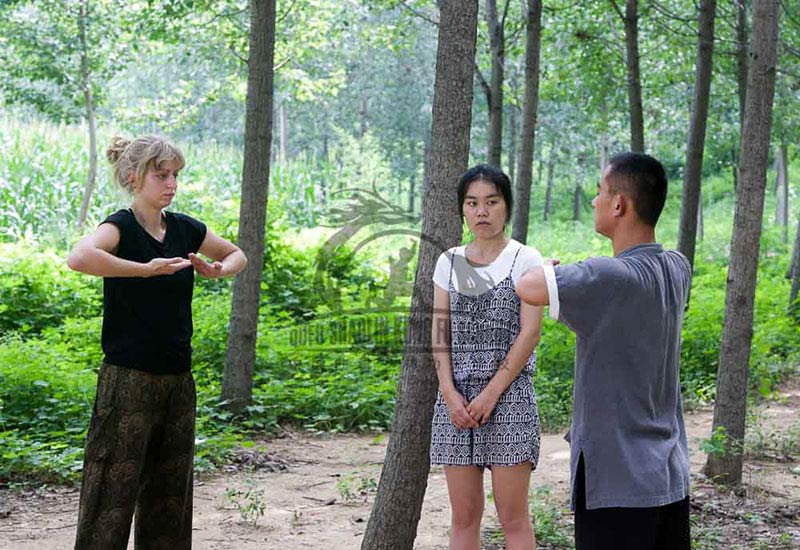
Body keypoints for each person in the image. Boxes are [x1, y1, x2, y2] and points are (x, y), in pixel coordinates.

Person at [67, 135, 247, 549]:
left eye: (175, 175)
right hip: (128, 382)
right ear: (133, 177)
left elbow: (238, 254)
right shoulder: (119, 227)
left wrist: (217, 270)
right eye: (161, 174)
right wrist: (144, 270)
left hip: (178, 383)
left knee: (170, 499)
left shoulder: (184, 228)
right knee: (110, 496)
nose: (171, 183)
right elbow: (79, 258)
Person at [516, 152, 692, 550]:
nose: (595, 200)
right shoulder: (678, 267)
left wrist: (546, 267)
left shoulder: (608, 276)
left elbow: (528, 286)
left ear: (619, 205)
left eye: (599, 191)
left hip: (617, 482)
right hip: (669, 475)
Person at [430, 164, 543, 550]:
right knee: (463, 518)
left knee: (513, 518)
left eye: (491, 202)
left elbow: (530, 332)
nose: (482, 212)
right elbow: (439, 332)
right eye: (472, 203)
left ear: (506, 207)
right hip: (455, 402)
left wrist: (492, 393)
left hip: (508, 399)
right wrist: (449, 394)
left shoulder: (525, 259)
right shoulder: (448, 260)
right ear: (462, 209)